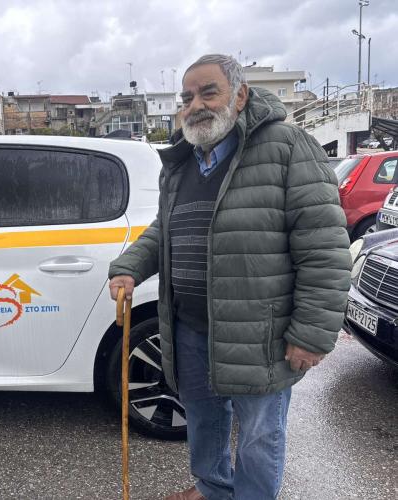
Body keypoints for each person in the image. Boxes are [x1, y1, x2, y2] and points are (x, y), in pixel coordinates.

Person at [108, 54, 351, 500]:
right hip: (190, 327)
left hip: (260, 332)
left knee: (260, 433)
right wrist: (129, 266)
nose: (195, 105)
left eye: (208, 92)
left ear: (240, 96)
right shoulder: (183, 161)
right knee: (203, 420)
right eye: (187, 98)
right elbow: (165, 229)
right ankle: (213, 489)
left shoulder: (287, 147)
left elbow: (325, 249)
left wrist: (312, 334)